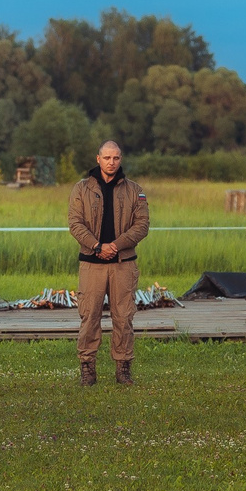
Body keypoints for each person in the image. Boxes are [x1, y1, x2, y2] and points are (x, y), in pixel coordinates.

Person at [68, 139, 151, 385]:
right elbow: (75, 223)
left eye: (115, 158)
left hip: (123, 263)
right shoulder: (81, 189)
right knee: (89, 316)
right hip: (91, 263)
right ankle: (87, 368)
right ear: (98, 159)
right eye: (106, 158)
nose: (111, 162)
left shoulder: (135, 190)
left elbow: (142, 225)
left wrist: (116, 245)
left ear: (120, 159)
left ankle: (123, 368)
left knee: (123, 317)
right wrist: (97, 246)